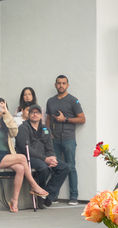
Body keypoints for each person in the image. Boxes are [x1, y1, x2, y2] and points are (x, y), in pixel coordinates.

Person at [0, 98, 48, 213]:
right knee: (22, 158)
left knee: (21, 168)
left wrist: (6, 114)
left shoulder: (6, 121)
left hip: (7, 155)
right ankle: (34, 186)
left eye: (0, 107)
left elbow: (14, 132)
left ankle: (14, 200)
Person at [15, 104, 69, 208]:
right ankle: (40, 196)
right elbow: (25, 149)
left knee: (64, 167)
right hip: (29, 158)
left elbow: (49, 147)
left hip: (45, 158)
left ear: (41, 115)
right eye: (32, 112)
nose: (35, 114)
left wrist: (52, 157)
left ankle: (47, 196)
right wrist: (45, 159)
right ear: (29, 115)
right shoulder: (23, 128)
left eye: (37, 112)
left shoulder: (45, 129)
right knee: (44, 168)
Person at [45, 75, 86, 205]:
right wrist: (47, 133)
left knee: (71, 167)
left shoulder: (73, 101)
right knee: (54, 167)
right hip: (54, 140)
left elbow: (82, 119)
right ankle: (53, 196)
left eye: (63, 83)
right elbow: (48, 119)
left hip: (69, 139)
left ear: (67, 85)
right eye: (58, 83)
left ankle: (74, 196)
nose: (61, 85)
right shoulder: (50, 101)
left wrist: (66, 119)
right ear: (55, 85)